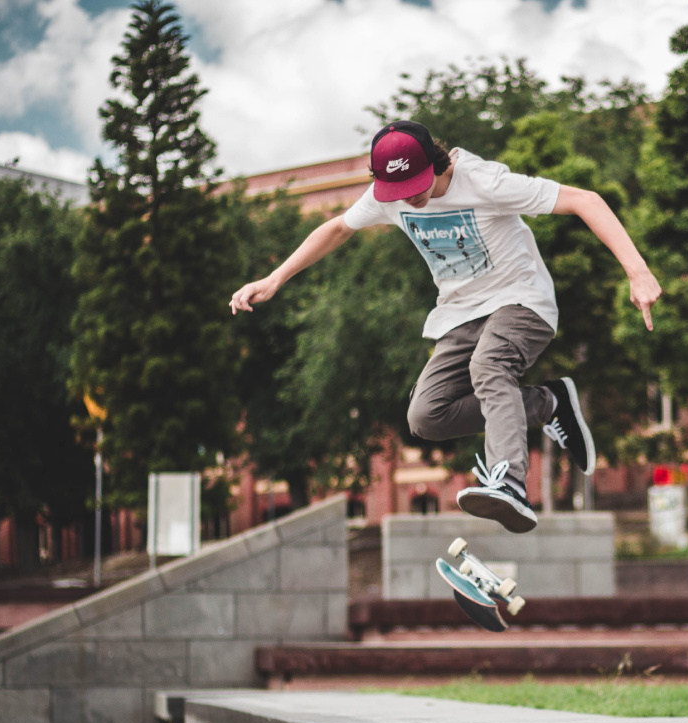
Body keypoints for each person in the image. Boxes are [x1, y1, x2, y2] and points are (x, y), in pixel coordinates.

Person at [230, 120, 661, 533]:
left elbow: (585, 200)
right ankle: (549, 404)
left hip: (521, 300)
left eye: (416, 188)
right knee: (426, 417)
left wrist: (637, 272)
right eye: (397, 193)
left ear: (437, 164)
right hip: (461, 314)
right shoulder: (388, 196)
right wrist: (274, 279)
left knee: (489, 367)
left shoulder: (486, 182)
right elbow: (338, 228)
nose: (409, 200)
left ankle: (509, 482)